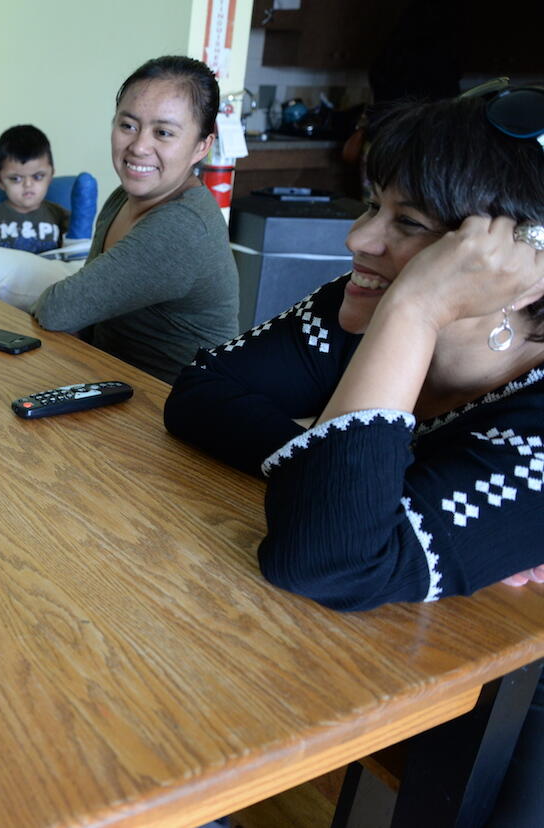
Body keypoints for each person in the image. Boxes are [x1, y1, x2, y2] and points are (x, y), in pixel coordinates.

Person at [163, 89, 544, 825]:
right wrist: (342, 479)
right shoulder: (365, 305)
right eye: (371, 206)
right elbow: (203, 390)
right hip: (381, 639)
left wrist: (416, 312)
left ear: (515, 261)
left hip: (511, 692)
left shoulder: (397, 310)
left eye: (406, 224)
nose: (358, 240)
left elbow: (325, 557)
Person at [32, 56, 239, 384]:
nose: (139, 146)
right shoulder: (124, 197)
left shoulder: (181, 227)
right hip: (111, 380)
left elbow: (59, 309)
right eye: (127, 125)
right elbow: (88, 316)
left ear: (202, 146)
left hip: (169, 412)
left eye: (164, 132)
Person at [0, 124, 70, 254]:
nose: (28, 184)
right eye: (16, 179)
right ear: (0, 181)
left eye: (38, 176)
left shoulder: (62, 216)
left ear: (51, 176)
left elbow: (74, 259)